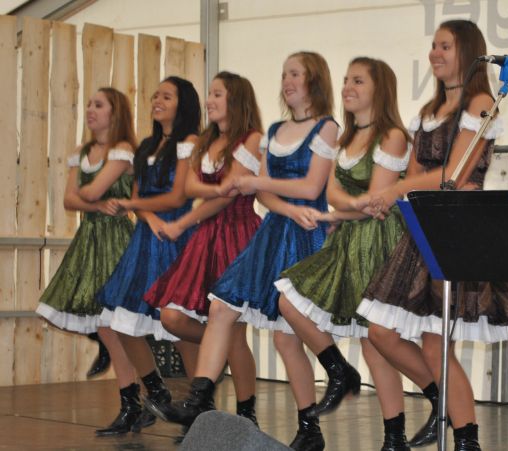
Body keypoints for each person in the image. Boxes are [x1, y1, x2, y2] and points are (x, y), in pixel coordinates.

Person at [146, 51, 338, 451]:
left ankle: (299, 404)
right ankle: (203, 398)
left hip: (253, 233)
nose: (286, 81)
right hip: (247, 230)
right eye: (283, 74)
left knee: (273, 334)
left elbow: (282, 188)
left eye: (295, 74)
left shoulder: (283, 133)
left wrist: (250, 187)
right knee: (213, 316)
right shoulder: (255, 134)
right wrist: (254, 190)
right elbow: (196, 187)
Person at [356, 20, 508, 451]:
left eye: (445, 46)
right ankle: (442, 401)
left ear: (467, 52)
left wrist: (397, 189)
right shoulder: (429, 111)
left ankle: (466, 439)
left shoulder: (481, 102)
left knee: (435, 345)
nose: (435, 53)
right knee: (380, 332)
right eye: (433, 46)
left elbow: (455, 173)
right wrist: (392, 195)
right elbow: (417, 174)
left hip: (458, 230)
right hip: (425, 227)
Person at [276, 57, 416, 451]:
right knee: (289, 300)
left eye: (358, 81)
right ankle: (338, 370)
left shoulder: (392, 136)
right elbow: (336, 193)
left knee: (375, 345)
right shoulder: (346, 139)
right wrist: (347, 207)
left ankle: (394, 437)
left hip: (378, 242)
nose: (347, 88)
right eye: (346, 80)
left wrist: (343, 210)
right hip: (348, 240)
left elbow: (377, 202)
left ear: (379, 89)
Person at [143, 71, 263, 424]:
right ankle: (213, 365)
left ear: (236, 99)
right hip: (208, 235)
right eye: (209, 94)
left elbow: (228, 197)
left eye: (217, 94)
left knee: (234, 333)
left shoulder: (251, 139)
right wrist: (217, 189)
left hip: (238, 234)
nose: (209, 101)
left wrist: (183, 222)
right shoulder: (207, 140)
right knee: (173, 316)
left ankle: (245, 415)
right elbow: (193, 187)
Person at [36, 87, 150, 435]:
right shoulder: (82, 153)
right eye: (89, 104)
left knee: (112, 323)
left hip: (116, 240)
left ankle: (135, 401)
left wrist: (91, 198)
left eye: (98, 105)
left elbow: (89, 190)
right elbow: (70, 201)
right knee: (101, 321)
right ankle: (134, 401)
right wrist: (97, 205)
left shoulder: (122, 150)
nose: (90, 109)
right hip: (91, 238)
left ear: (115, 113)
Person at [95, 76, 201, 435]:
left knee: (178, 325)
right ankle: (155, 391)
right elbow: (139, 197)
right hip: (146, 238)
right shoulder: (147, 145)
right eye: (156, 95)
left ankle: (199, 410)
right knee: (123, 321)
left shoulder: (190, 142)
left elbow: (178, 196)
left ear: (182, 104)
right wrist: (147, 215)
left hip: (175, 238)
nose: (157, 101)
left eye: (166, 96)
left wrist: (138, 207)